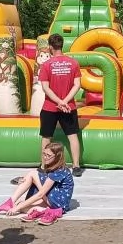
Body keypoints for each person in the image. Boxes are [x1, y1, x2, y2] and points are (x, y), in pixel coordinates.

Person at [0, 142, 74, 225]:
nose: (45, 157)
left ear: (57, 157)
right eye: (44, 154)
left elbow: (40, 194)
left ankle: (11, 202)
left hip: (58, 202)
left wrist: (16, 208)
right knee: (22, 206)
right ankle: (42, 210)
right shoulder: (53, 166)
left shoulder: (59, 170)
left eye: (48, 156)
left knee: (32, 174)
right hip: (53, 199)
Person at [37, 33, 84, 176]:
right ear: (61, 45)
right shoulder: (73, 63)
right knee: (72, 135)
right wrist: (65, 101)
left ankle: (44, 165)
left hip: (50, 106)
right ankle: (76, 166)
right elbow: (77, 85)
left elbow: (46, 87)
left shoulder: (46, 65)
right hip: (68, 106)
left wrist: (58, 102)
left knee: (46, 137)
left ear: (50, 47)